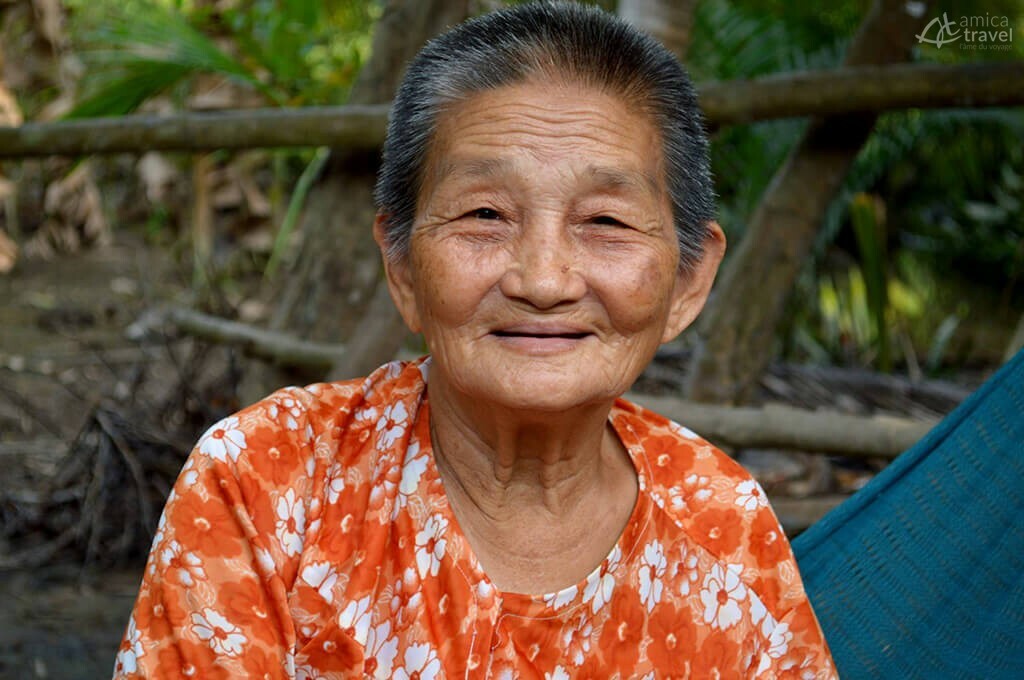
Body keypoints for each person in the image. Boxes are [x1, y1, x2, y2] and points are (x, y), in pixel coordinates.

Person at [115, 2, 835, 678]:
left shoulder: (720, 521)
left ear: (688, 280)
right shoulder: (269, 483)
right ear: (401, 265)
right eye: (485, 214)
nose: (543, 280)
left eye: (606, 222)